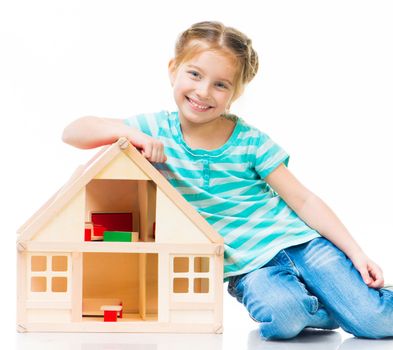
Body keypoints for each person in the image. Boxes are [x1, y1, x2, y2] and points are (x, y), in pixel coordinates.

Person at [62, 21, 393, 340]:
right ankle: (330, 309)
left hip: (301, 243)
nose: (203, 92)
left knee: (374, 322)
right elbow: (73, 131)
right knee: (284, 318)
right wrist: (127, 133)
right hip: (247, 268)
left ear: (237, 92)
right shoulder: (153, 129)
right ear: (173, 69)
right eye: (194, 74)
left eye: (221, 84)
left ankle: (348, 302)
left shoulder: (250, 141)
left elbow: (303, 200)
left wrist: (356, 253)